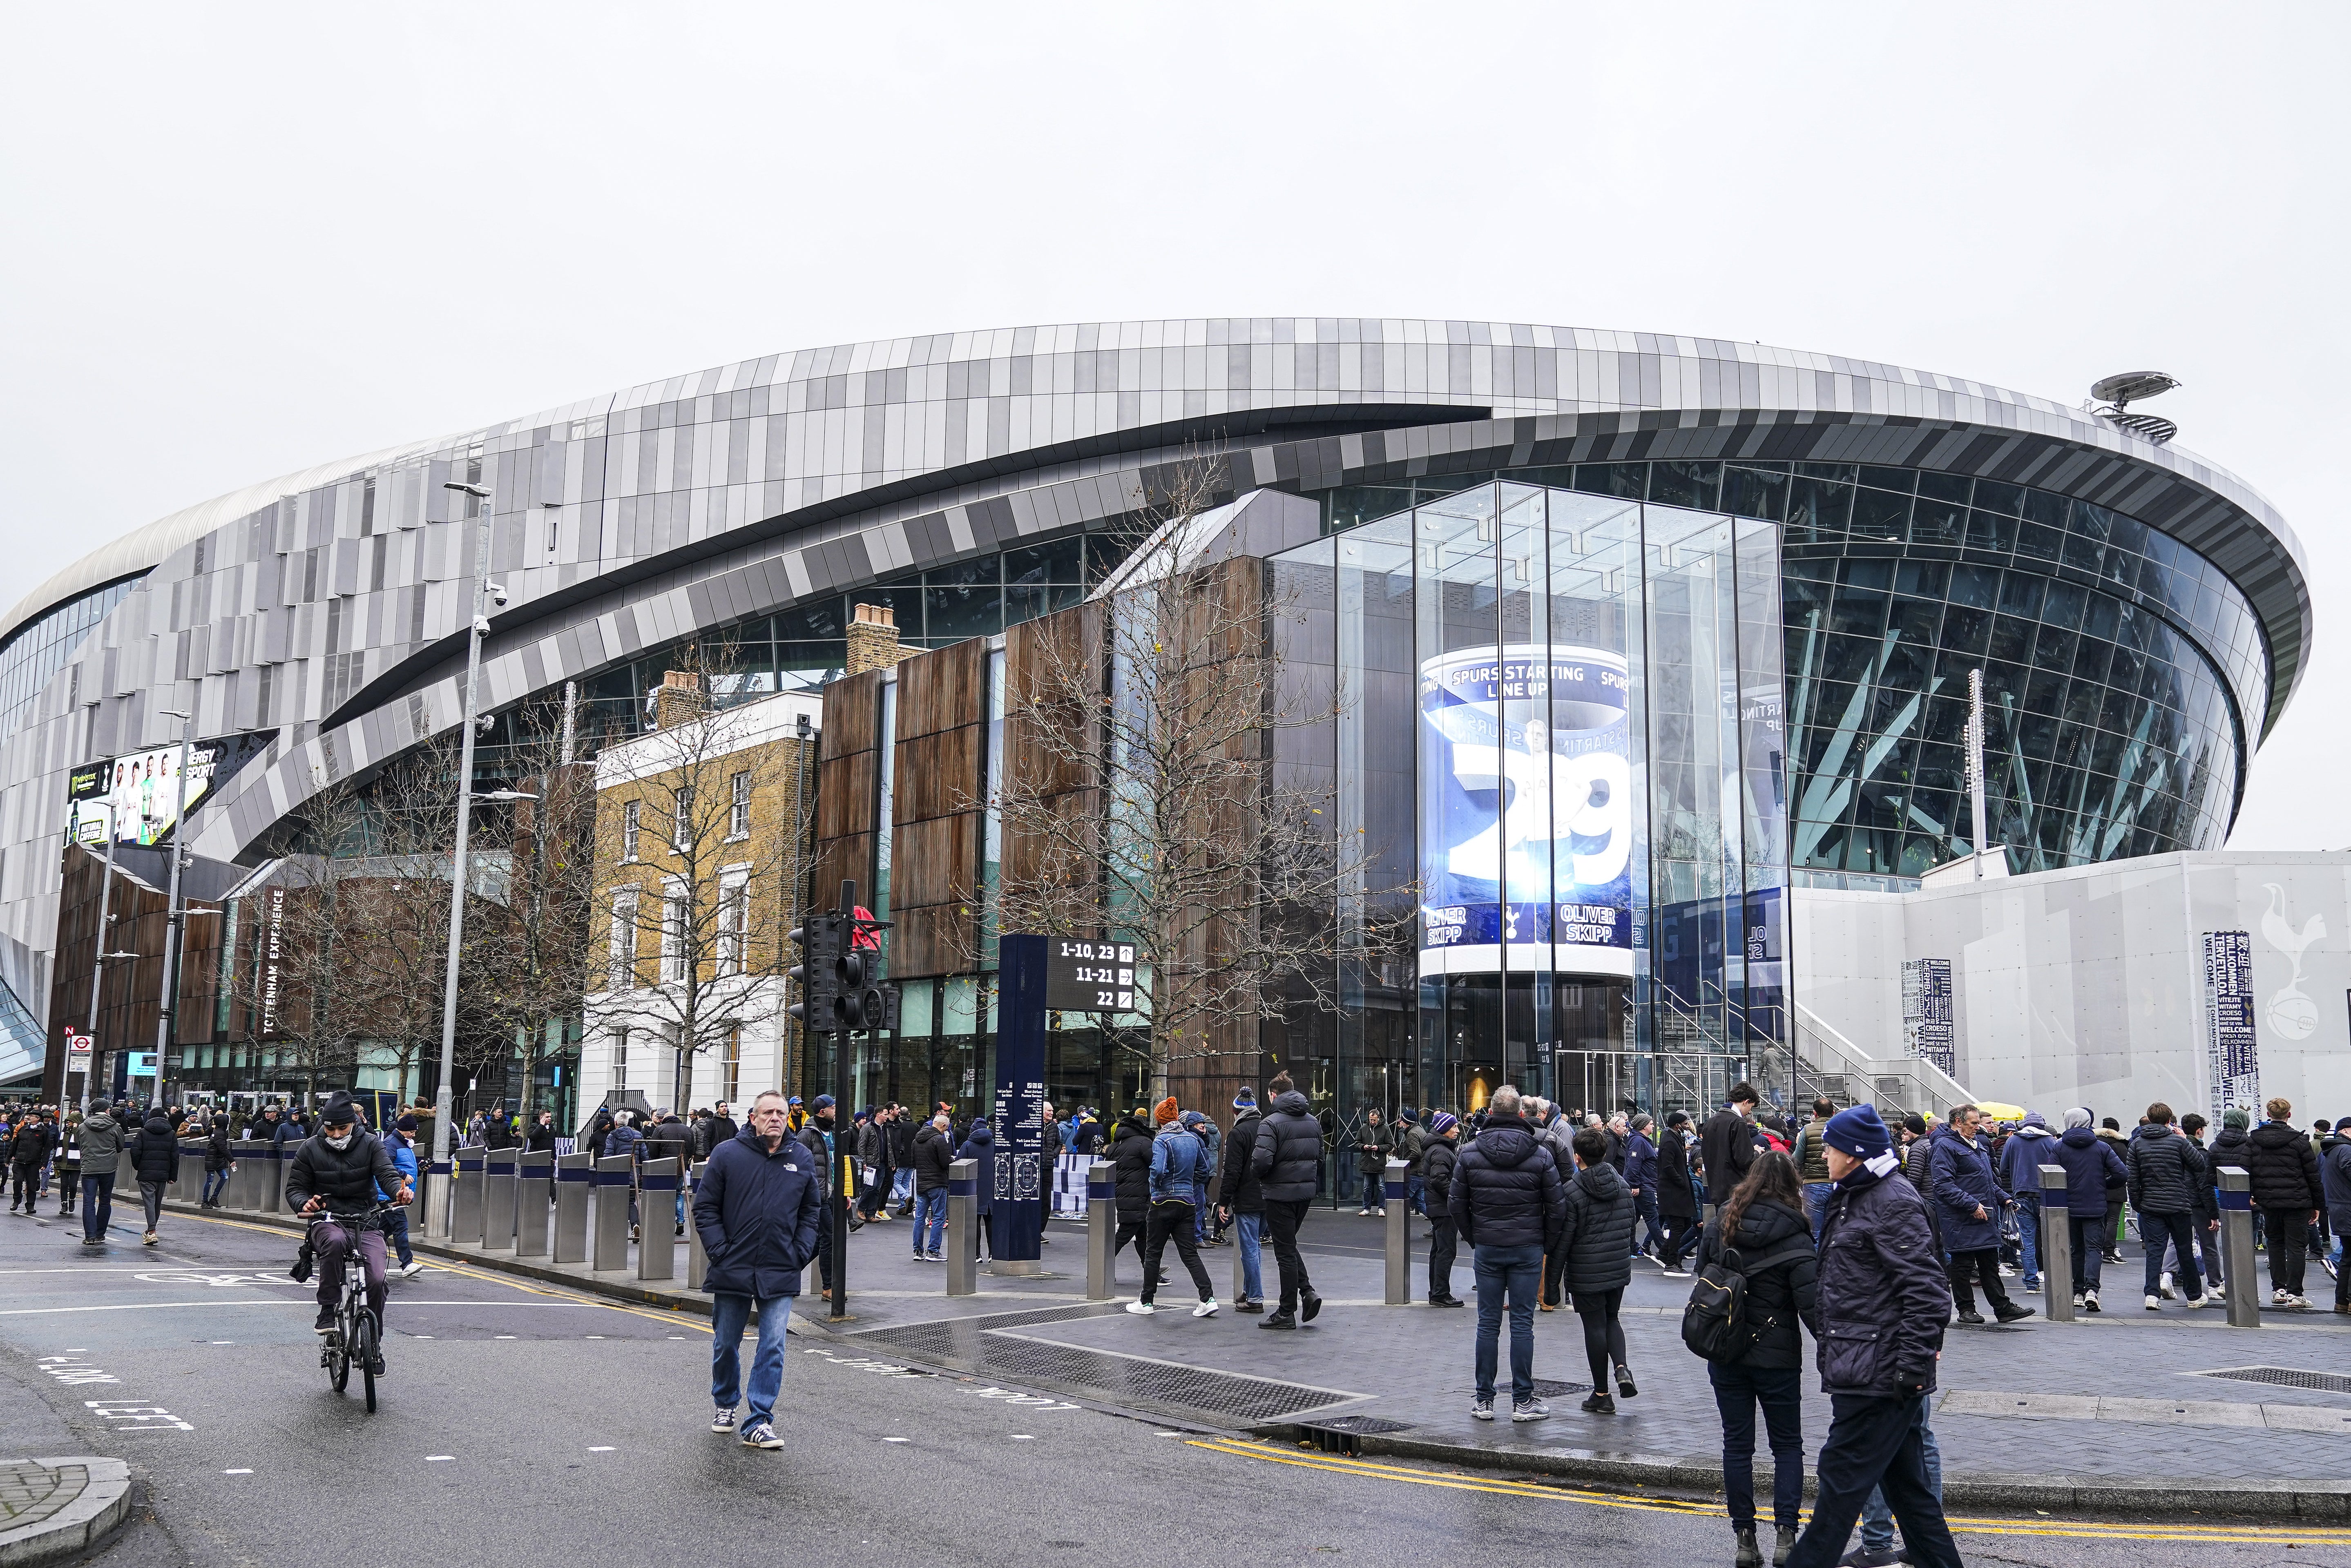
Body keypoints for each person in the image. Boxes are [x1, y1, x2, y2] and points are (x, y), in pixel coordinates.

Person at [1782, 1105, 1961, 1568]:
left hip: (1879, 1375)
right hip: (1864, 1365)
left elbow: (1928, 1292)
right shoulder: (1854, 1195)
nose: (1827, 1154)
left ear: (1856, 1154)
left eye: (1834, 1147)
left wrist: (1910, 1364)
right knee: (1912, 1495)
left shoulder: (1891, 1199)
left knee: (1838, 1490)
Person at [1695, 1150, 1820, 1568]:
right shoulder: (1797, 1230)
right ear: (1792, 1185)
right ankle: (1786, 1533)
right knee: (1787, 1445)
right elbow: (1811, 1305)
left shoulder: (1722, 1221)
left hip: (1726, 1350)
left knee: (1737, 1444)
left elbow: (1704, 1277)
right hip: (1777, 1354)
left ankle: (1744, 1538)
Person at [694, 1091, 822, 1449]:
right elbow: (705, 1208)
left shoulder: (800, 1157)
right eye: (768, 1113)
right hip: (733, 1265)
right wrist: (720, 1250)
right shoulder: (727, 1154)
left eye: (781, 1113)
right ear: (753, 1117)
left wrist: (799, 1253)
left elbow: (811, 1210)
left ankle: (759, 1420)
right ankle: (725, 1402)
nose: (775, 1118)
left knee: (773, 1345)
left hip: (780, 1266)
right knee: (726, 1344)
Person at [1449, 1086, 1564, 1421]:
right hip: (1528, 1247)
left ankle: (1484, 1400)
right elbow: (1556, 1207)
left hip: (1488, 1246)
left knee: (1487, 1323)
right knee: (1522, 1324)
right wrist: (1546, 1242)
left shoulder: (1469, 1152)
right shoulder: (1540, 1153)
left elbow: (1456, 1204)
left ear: (1491, 1111)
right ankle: (1522, 1401)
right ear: (1518, 1114)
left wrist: (1474, 1237)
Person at [285, 1100, 410, 1337]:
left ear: (353, 1124)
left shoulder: (371, 1144)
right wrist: (305, 1203)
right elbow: (295, 1188)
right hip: (327, 1219)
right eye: (330, 1129)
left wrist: (398, 1191)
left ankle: (373, 1340)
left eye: (342, 1128)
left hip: (365, 1220)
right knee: (333, 1242)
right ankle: (328, 1309)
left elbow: (387, 1174)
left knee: (375, 1280)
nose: (336, 1134)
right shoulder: (310, 1148)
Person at [1556, 1124, 1638, 1413]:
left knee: (1594, 1327)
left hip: (1585, 1271)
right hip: (1617, 1268)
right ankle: (1622, 1367)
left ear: (1577, 1157)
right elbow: (1630, 1231)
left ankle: (1602, 1393)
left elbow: (1563, 1241)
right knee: (1612, 1319)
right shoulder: (1623, 1187)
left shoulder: (1571, 1191)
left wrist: (1554, 1284)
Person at [1927, 1104, 2032, 1325]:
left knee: (1989, 1263)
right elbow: (1943, 1184)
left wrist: (2005, 1198)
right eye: (1974, 1123)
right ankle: (1966, 1309)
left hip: (1983, 1214)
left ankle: (2003, 1308)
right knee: (1962, 1264)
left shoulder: (1976, 1145)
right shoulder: (1946, 1146)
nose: (1978, 1127)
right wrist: (1972, 1205)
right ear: (1958, 1122)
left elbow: (1986, 1180)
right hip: (1961, 1217)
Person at [1249, 1072, 1325, 1330]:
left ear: (1274, 1095)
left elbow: (1261, 1162)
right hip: (1304, 1194)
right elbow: (1321, 1158)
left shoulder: (1270, 1123)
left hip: (1279, 1195)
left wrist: (1261, 1176)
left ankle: (1286, 1311)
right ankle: (1307, 1292)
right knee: (1288, 1245)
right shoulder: (1313, 1122)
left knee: (1284, 1252)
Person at [1129, 1098, 1217, 1317]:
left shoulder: (1161, 1140)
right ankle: (1208, 1298)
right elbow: (1203, 1171)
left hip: (1163, 1201)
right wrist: (1189, 1185)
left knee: (1153, 1252)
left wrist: (1156, 1188)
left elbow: (1157, 1170)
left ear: (1159, 1119)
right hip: (1187, 1202)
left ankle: (1147, 1301)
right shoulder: (1192, 1138)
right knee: (1189, 1253)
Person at [2124, 1102, 2213, 1311]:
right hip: (2178, 1205)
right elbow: (2200, 1165)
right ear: (2169, 1121)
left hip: (2151, 1206)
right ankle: (2194, 1296)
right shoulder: (2178, 1142)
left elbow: (2133, 1179)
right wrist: (2184, 1140)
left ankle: (2152, 1296)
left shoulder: (2137, 1145)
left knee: (2155, 1251)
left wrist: (2139, 1204)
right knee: (2184, 1250)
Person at [2246, 1096, 2325, 1308]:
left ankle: (2279, 1290)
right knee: (2296, 1247)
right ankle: (2295, 1294)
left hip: (2269, 1201)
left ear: (2269, 1115)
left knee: (2276, 1243)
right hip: (2297, 1202)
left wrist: (2253, 1193)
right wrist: (2317, 1205)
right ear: (2288, 1115)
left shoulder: (2254, 1140)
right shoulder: (2299, 1141)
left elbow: (2248, 1170)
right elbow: (2313, 1175)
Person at [1217, 1087, 1267, 1312]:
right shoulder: (1268, 1128)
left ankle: (1255, 1297)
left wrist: (1223, 1201)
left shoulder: (1238, 1134)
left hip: (1247, 1199)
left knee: (1248, 1249)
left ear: (1236, 1111)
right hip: (1269, 1197)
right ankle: (1249, 1291)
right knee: (1255, 1247)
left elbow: (1232, 1171)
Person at [1996, 1111, 2056, 1294]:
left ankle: (2031, 1282)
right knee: (2051, 1238)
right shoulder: (2049, 1141)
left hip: (2021, 1193)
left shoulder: (2013, 1141)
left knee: (2027, 1241)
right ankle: (2055, 1278)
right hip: (2047, 1195)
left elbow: (2003, 1168)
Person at [794, 1095, 839, 1300]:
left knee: (819, 1241)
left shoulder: (833, 1132)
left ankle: (787, 1271)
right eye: (833, 1108)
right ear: (823, 1112)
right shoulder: (808, 1134)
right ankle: (829, 1288)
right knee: (830, 1237)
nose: (836, 1111)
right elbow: (798, 1165)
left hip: (831, 1194)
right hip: (816, 1195)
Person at [1701, 1082, 1764, 1211]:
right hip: (1735, 1191)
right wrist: (1756, 1152)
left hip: (1715, 1189)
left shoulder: (1711, 1121)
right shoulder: (1738, 1122)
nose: (1750, 1111)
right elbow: (1744, 1160)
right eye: (1751, 1107)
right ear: (1746, 1102)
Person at [1423, 1111, 1464, 1307]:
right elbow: (1439, 1179)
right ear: (1443, 1130)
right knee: (1446, 1251)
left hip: (1439, 1208)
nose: (1457, 1130)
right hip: (1444, 1209)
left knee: (1439, 1250)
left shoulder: (1439, 1149)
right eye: (1453, 1127)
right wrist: (1456, 1197)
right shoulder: (1441, 1151)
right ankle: (1440, 1293)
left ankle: (1437, 1291)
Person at [1110, 1105, 1154, 1274]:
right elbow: (1155, 1165)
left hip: (1122, 1193)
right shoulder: (1144, 1143)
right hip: (1140, 1195)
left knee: (1143, 1234)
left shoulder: (1115, 1145)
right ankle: (1099, 1268)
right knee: (1124, 1235)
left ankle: (1152, 1272)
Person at [127, 1105, 179, 1245]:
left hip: (146, 1174)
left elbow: (135, 1152)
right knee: (157, 1203)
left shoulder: (143, 1132)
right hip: (163, 1175)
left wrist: (139, 1167)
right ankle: (151, 1230)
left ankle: (152, 1231)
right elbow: (175, 1156)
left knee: (149, 1202)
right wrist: (173, 1176)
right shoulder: (171, 1133)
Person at [76, 1102, 125, 1246]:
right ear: (107, 1110)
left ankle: (90, 1236)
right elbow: (120, 1147)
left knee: (89, 1202)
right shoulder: (115, 1127)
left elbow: (80, 1144)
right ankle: (100, 1234)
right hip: (108, 1168)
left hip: (89, 1168)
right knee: (105, 1201)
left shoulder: (82, 1127)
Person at [1657, 1109, 1699, 1276]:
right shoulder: (1669, 1141)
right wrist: (1680, 1181)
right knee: (1677, 1226)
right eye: (1685, 1123)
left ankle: (1664, 1253)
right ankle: (1672, 1263)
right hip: (1673, 1191)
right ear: (1677, 1125)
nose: (1687, 1126)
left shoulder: (1674, 1138)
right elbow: (1667, 1166)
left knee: (1685, 1224)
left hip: (1677, 1190)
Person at [382, 1115, 424, 1278]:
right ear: (402, 1129)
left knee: (381, 1231)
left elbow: (405, 1166)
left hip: (399, 1193)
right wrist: (402, 1175)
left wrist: (420, 1169)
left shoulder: (402, 1143)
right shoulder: (391, 1143)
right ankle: (407, 1264)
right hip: (391, 1193)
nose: (413, 1135)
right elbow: (385, 1165)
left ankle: (365, 1250)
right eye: (411, 1132)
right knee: (401, 1226)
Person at [1791, 1097, 1837, 1236]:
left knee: (1816, 1232)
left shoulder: (1808, 1130)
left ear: (1815, 1114)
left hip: (1813, 1185)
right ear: (1833, 1112)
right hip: (1837, 1184)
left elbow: (1797, 1160)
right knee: (1835, 1231)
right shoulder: (1839, 1130)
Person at [2319, 1120, 2351, 1315]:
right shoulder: (2346, 1150)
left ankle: (2342, 1301)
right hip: (2348, 1208)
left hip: (2340, 1208)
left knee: (2348, 1256)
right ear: (2346, 1131)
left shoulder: (2332, 1151)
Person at [910, 1112, 953, 1260]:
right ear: (943, 1126)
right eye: (945, 1129)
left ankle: (918, 1251)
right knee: (939, 1217)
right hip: (937, 1183)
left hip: (922, 1184)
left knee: (920, 1219)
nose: (945, 1131)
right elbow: (945, 1163)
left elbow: (914, 1162)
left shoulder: (916, 1141)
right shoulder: (939, 1140)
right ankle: (933, 1251)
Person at [954, 1113, 995, 1261]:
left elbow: (959, 1163)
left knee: (975, 1222)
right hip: (991, 1187)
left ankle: (976, 1254)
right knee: (990, 1221)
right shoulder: (994, 1143)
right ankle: (993, 1253)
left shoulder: (968, 1145)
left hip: (973, 1188)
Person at [1623, 1112, 1662, 1260]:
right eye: (1651, 1124)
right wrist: (1635, 1184)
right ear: (1645, 1126)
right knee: (1653, 1218)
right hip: (1643, 1186)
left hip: (1643, 1184)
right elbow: (1634, 1165)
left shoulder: (1640, 1140)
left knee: (1633, 1219)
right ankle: (1664, 1250)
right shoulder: (1639, 1141)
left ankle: (1631, 1248)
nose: (1653, 1126)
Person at [7, 1107, 53, 1215]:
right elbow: (15, 1144)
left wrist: (44, 1163)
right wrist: (8, 1158)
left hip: (34, 1162)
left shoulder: (44, 1131)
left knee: (32, 1186)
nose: (28, 1117)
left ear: (37, 1119)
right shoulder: (24, 1129)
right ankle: (17, 1200)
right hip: (20, 1160)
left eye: (31, 1116)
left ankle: (30, 1206)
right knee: (17, 1181)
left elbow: (47, 1148)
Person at [1353, 1107, 1393, 1216]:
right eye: (1371, 1119)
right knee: (1367, 1187)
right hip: (1367, 1162)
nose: (1372, 1122)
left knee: (1381, 1186)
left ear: (1379, 1119)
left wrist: (1379, 1148)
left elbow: (1390, 1145)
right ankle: (1366, 1208)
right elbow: (1357, 1143)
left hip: (1379, 1162)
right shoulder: (1363, 1128)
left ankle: (1382, 1208)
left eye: (1374, 1120)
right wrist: (1363, 1146)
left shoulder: (1385, 1129)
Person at [201, 1113, 234, 1207]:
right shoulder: (219, 1134)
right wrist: (232, 1160)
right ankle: (205, 1201)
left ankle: (214, 1198)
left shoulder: (219, 1132)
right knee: (210, 1180)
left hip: (217, 1159)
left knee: (224, 1177)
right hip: (213, 1159)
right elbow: (223, 1148)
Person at [55, 1109, 80, 1218]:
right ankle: (64, 1205)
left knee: (73, 1186)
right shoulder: (64, 1132)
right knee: (64, 1185)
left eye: (70, 1121)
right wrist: (55, 1159)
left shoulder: (80, 1131)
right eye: (67, 1122)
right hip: (63, 1162)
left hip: (76, 1163)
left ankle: (72, 1200)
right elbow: (59, 1145)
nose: (68, 1123)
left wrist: (75, 1129)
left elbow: (80, 1141)